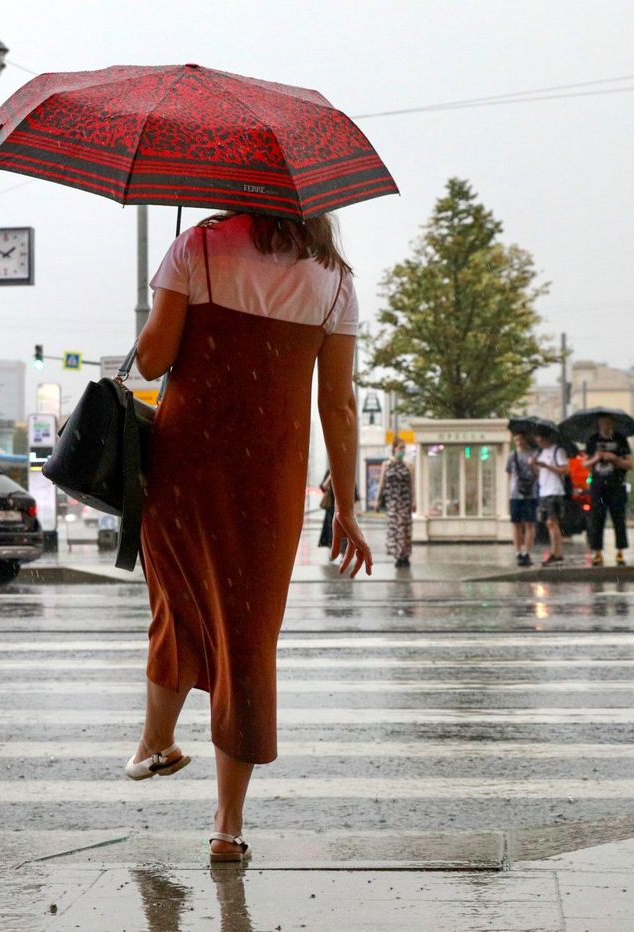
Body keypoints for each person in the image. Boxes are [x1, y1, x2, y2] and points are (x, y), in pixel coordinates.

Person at [132, 209, 372, 864]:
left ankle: (156, 740)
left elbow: (152, 360)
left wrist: (170, 297)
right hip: (269, 475)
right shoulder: (335, 282)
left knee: (178, 606)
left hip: (184, 463)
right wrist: (345, 505)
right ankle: (227, 828)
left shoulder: (197, 247)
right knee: (247, 635)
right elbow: (338, 404)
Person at [582, 415, 634, 567]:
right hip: (598, 486)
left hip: (617, 485)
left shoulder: (620, 439)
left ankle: (620, 552)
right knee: (597, 520)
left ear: (612, 424)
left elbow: (630, 464)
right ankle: (597, 552)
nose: (606, 426)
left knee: (619, 519)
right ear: (599, 424)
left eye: (609, 423)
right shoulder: (592, 440)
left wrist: (615, 459)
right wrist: (596, 458)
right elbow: (585, 463)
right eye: (603, 423)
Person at [376, 438, 414, 568]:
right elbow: (382, 483)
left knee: (404, 529)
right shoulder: (386, 465)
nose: (402, 451)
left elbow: (411, 485)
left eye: (404, 448)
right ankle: (398, 555)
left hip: (404, 501)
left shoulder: (408, 465)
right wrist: (377, 500)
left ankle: (405, 555)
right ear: (394, 449)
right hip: (392, 502)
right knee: (395, 529)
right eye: (400, 448)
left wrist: (414, 501)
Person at [534, 431, 570, 566]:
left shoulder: (558, 451)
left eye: (540, 437)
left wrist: (546, 466)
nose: (538, 440)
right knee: (549, 523)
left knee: (552, 522)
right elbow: (540, 473)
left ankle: (557, 553)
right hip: (544, 491)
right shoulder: (540, 453)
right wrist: (536, 465)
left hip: (555, 491)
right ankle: (555, 552)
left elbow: (565, 470)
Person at [505, 432, 538, 566]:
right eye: (517, 439)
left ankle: (527, 552)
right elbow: (509, 474)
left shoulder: (533, 454)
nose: (519, 441)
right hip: (515, 494)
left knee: (529, 523)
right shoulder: (512, 455)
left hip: (530, 493)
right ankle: (518, 551)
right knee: (516, 524)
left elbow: (538, 474)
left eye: (521, 439)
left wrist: (534, 465)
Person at [317, 470, 335, 550]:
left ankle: (341, 552)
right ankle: (333, 549)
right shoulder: (330, 471)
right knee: (330, 528)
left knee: (342, 529)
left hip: (341, 506)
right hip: (331, 506)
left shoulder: (345, 470)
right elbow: (323, 487)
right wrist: (330, 477)